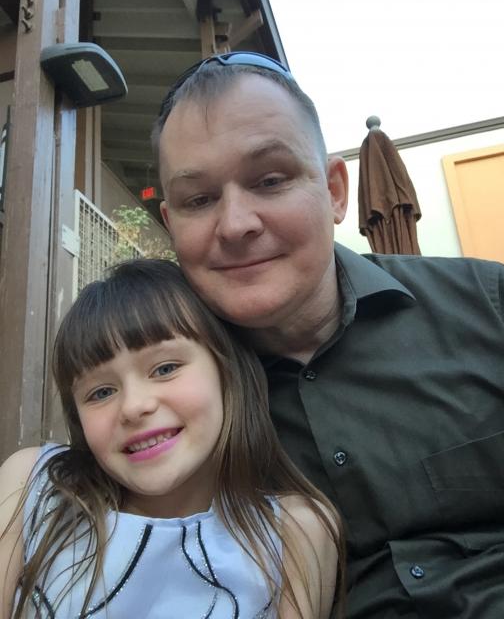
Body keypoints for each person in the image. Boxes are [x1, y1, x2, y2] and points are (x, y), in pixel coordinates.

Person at [152, 51, 504, 618]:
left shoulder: (488, 307)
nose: (236, 224)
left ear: (336, 191)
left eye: (270, 180)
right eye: (199, 199)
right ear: (172, 225)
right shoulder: (164, 403)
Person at [0, 259, 343, 619]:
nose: (133, 407)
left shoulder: (294, 529)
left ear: (227, 371)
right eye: (101, 392)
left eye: (165, 368)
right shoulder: (33, 487)